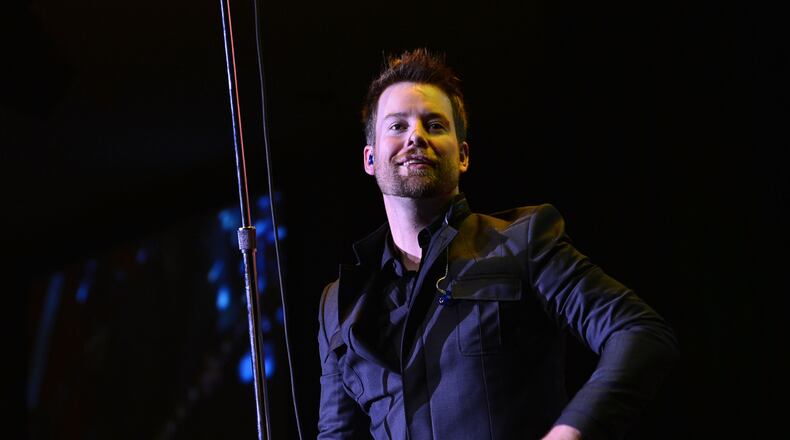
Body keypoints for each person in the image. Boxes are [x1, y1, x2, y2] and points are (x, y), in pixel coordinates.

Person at [317, 48, 678, 440]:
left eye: (434, 124)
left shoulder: (522, 242)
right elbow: (337, 433)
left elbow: (638, 331)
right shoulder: (340, 303)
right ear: (370, 159)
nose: (416, 136)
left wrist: (570, 433)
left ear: (464, 155)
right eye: (397, 126)